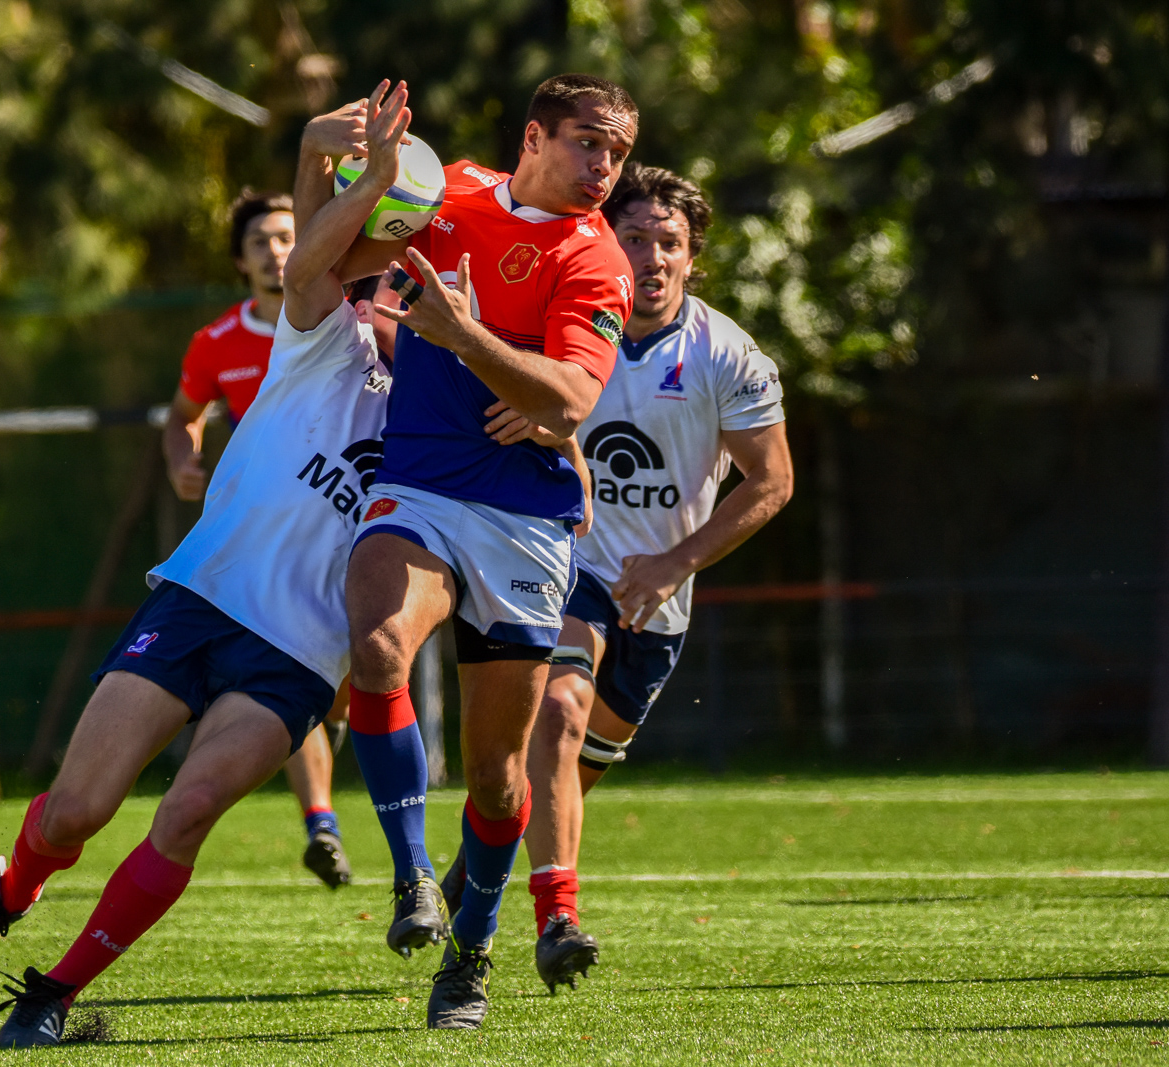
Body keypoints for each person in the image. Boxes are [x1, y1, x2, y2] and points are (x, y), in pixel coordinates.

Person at [0, 84, 409, 1049]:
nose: (400, 289)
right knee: (77, 812)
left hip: (299, 656)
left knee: (184, 815)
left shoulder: (446, 411)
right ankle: (10, 887)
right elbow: (311, 248)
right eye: (390, 271)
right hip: (201, 600)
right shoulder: (318, 331)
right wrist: (319, 154)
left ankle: (52, 991)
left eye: (414, 281)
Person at [330, 73, 637, 1029]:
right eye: (588, 143)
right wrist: (351, 169)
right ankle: (414, 873)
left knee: (500, 774)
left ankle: (468, 955)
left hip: (521, 516)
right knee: (376, 647)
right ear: (533, 137)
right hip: (418, 484)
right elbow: (342, 254)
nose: (604, 167)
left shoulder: (599, 260)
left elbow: (570, 398)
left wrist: (463, 336)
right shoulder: (448, 189)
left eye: (618, 153)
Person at [441, 166, 793, 993]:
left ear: (692, 259)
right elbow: (509, 403)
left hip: (660, 599)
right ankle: (556, 919)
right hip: (568, 564)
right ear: (607, 241)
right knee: (556, 716)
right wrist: (537, 411)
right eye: (635, 237)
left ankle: (478, 855)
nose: (653, 256)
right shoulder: (566, 330)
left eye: (670, 242)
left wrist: (676, 562)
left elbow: (772, 482)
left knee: (567, 768)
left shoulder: (726, 353)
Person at [162, 187, 353, 889]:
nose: (277, 251)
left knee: (338, 692)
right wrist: (184, 458)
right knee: (288, 667)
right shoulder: (216, 342)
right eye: (261, 242)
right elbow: (184, 413)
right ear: (240, 262)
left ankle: (321, 765)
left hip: (343, 530)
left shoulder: (345, 320)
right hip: (262, 541)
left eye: (287, 235)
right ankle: (322, 824)